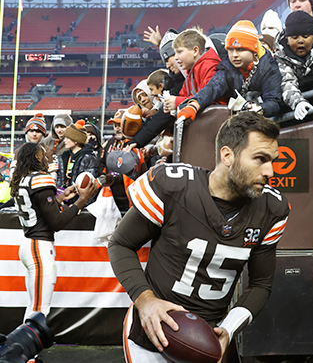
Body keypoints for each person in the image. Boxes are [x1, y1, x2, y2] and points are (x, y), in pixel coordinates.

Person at [108, 112, 290, 362]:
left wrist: (229, 327)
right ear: (227, 155)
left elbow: (261, 284)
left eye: (272, 160)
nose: (270, 171)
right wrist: (146, 301)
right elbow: (120, 244)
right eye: (260, 159)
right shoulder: (174, 186)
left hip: (208, 334)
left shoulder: (272, 208)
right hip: (152, 330)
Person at [10, 142, 97, 321]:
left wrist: (61, 197)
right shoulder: (41, 179)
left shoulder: (24, 179)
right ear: (36, 157)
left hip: (30, 245)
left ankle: (26, 348)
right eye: (43, 153)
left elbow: (41, 208)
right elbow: (56, 221)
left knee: (34, 305)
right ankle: (27, 348)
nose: (48, 156)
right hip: (39, 248)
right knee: (40, 308)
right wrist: (82, 200)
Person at [177, 20, 282, 120]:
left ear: (253, 50)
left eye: (240, 49)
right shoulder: (227, 66)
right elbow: (214, 86)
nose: (234, 55)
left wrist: (258, 109)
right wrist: (194, 104)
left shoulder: (269, 67)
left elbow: (274, 102)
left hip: (265, 122)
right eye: (230, 50)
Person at [127, 28, 184, 149]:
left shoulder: (182, 79)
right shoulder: (178, 77)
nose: (167, 65)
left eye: (168, 60)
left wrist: (138, 140)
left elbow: (164, 116)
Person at [162, 28, 222, 115]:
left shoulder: (210, 66)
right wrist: (172, 108)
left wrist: (178, 102)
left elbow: (213, 100)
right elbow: (184, 96)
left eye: (179, 52)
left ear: (195, 51)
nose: (175, 58)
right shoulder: (190, 71)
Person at [56, 121, 98, 195]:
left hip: (79, 201)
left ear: (76, 140)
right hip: (64, 198)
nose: (64, 140)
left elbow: (88, 186)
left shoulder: (89, 158)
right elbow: (60, 180)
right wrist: (60, 198)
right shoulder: (64, 157)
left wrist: (78, 204)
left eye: (68, 138)